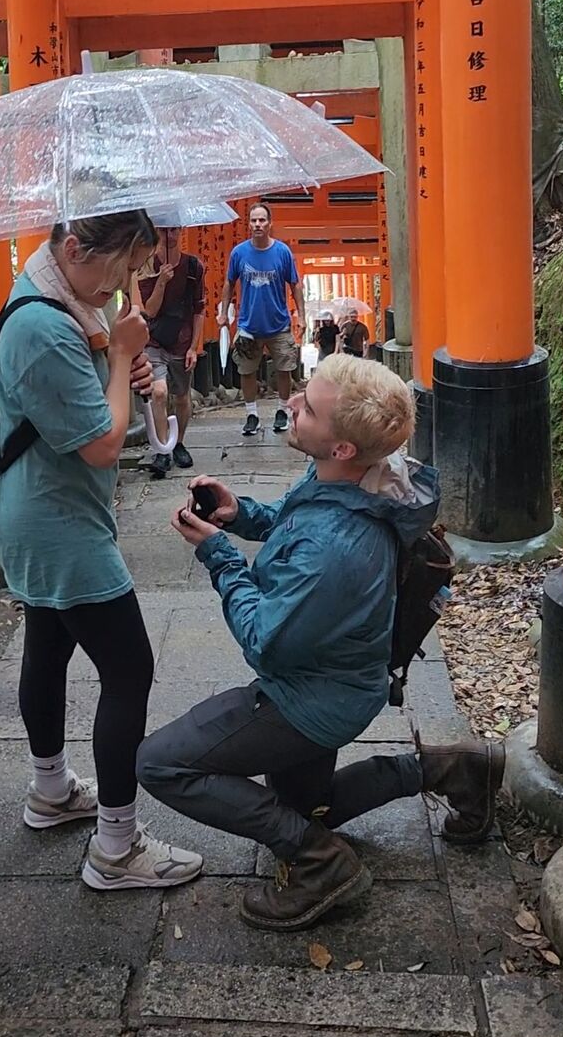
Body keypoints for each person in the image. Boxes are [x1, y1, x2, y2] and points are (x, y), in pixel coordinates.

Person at [137, 354, 505, 931]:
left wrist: (218, 555)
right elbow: (294, 513)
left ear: (342, 449)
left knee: (160, 764)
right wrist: (241, 515)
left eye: (307, 407)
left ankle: (319, 864)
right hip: (343, 679)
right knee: (304, 808)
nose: (291, 404)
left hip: (307, 699)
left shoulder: (335, 552)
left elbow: (264, 642)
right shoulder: (356, 478)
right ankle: (455, 770)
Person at [0, 212, 202, 891]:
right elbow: (103, 443)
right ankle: (116, 846)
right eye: (117, 270)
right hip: (61, 528)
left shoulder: (59, 298)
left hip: (45, 511)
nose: (121, 286)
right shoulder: (43, 326)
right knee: (130, 667)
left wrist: (118, 357)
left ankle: (49, 789)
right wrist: (116, 357)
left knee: (48, 647)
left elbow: (92, 403)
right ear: (75, 247)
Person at [219, 203, 305, 437]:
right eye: (253, 220)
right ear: (249, 224)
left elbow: (295, 284)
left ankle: (281, 411)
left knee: (284, 368)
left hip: (278, 323)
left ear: (270, 224)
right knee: (246, 371)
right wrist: (223, 313)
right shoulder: (239, 253)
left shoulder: (282, 252)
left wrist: (302, 316)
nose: (257, 224)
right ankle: (251, 415)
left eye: (262, 220)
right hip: (248, 324)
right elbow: (228, 283)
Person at [137, 227, 206, 479]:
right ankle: (162, 448)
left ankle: (178, 442)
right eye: (164, 230)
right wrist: (161, 282)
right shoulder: (146, 267)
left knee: (181, 397)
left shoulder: (193, 267)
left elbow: (199, 309)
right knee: (158, 392)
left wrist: (194, 347)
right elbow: (150, 311)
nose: (170, 235)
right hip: (154, 340)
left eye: (174, 229)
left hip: (182, 340)